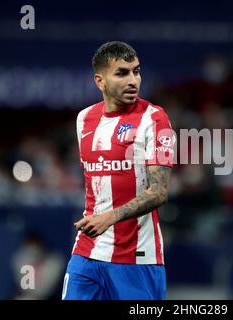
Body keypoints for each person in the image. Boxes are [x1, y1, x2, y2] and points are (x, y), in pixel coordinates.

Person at [62, 41, 175, 300]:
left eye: (136, 71)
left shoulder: (155, 119)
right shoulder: (84, 119)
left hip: (137, 258)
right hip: (87, 253)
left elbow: (159, 192)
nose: (133, 80)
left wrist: (108, 218)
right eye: (122, 73)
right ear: (100, 81)